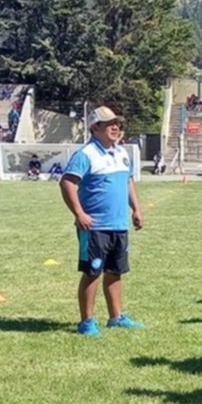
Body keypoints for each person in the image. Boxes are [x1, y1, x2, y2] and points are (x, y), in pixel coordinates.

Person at [60, 106, 144, 336]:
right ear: (95, 127)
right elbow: (67, 183)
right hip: (94, 226)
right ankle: (87, 321)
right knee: (92, 271)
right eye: (110, 124)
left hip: (119, 225)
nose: (116, 128)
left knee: (115, 271)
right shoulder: (86, 155)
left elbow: (128, 182)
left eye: (118, 124)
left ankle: (116, 317)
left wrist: (136, 209)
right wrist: (79, 213)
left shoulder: (121, 153)